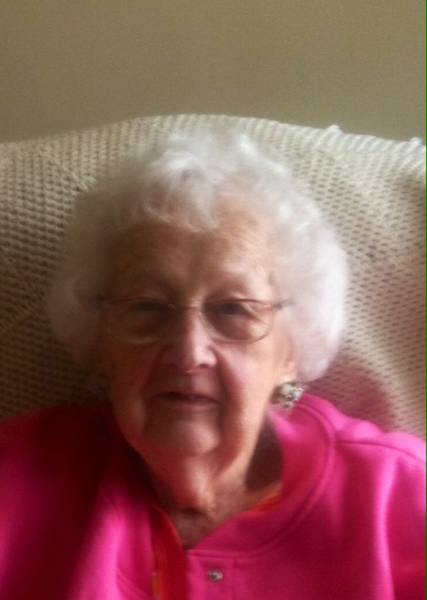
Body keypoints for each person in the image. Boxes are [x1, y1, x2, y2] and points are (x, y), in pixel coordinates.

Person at [0, 130, 424, 600]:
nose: (188, 351)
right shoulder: (12, 478)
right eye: (147, 307)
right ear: (101, 342)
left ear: (291, 350)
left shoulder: (401, 500)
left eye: (233, 310)